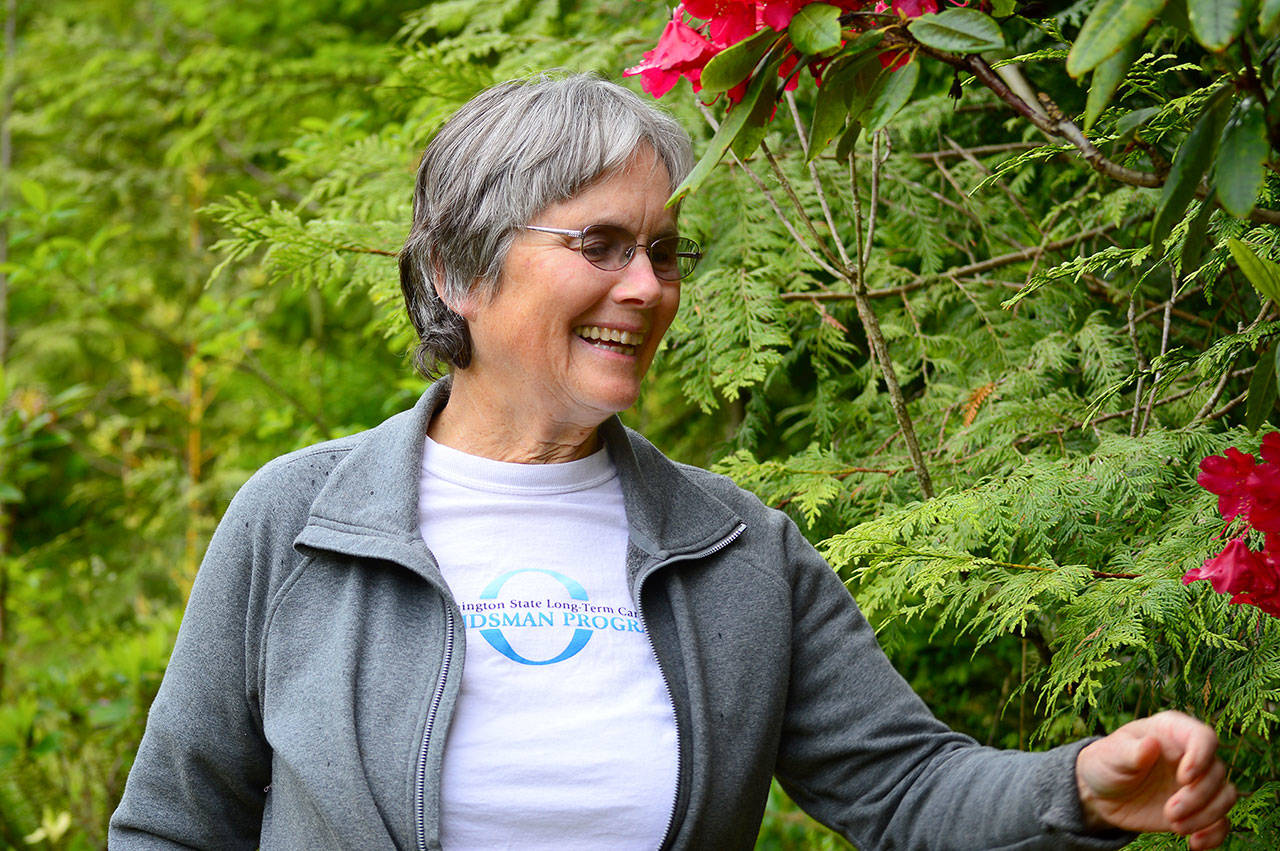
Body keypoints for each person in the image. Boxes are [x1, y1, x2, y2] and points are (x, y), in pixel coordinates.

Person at [109, 73, 1237, 850]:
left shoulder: (735, 547)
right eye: (597, 245)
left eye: (661, 250)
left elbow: (900, 786)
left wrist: (1076, 783)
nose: (646, 287)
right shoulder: (300, 519)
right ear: (455, 270)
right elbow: (172, 822)